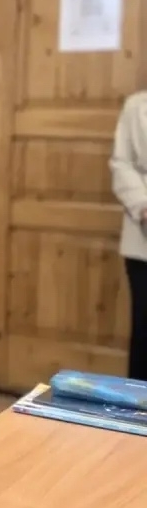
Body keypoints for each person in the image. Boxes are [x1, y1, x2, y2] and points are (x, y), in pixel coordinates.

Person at [110, 90, 147, 380]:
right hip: (143, 240)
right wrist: (143, 207)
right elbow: (121, 163)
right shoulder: (136, 106)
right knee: (144, 332)